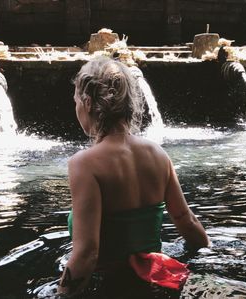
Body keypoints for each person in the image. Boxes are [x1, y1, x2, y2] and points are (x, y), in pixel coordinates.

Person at [58, 56, 209, 298]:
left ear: (87, 103)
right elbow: (186, 220)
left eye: (75, 101)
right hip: (156, 283)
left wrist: (61, 294)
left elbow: (87, 254)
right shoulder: (158, 154)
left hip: (110, 288)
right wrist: (208, 258)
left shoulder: (84, 164)